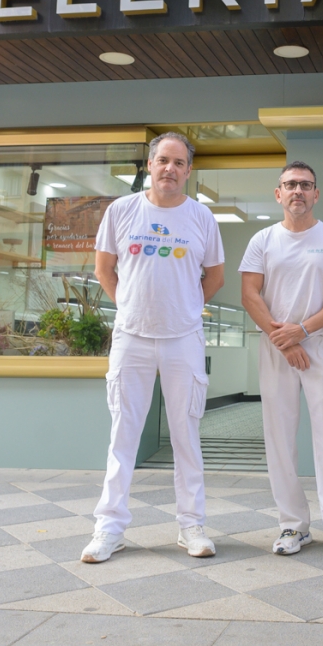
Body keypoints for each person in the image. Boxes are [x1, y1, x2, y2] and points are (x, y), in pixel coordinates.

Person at [82, 132, 225, 563]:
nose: (170, 169)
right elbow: (104, 269)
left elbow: (215, 277)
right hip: (133, 338)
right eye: (163, 160)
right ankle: (108, 528)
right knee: (123, 433)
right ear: (150, 164)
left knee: (186, 434)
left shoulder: (201, 217)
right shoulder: (122, 211)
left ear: (188, 170)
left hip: (183, 339)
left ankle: (191, 526)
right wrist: (129, 306)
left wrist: (183, 309)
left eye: (179, 163)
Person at [239, 160, 323, 564]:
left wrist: (303, 331)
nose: (298, 190)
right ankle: (293, 525)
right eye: (290, 184)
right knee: (278, 436)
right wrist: (285, 339)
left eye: (305, 185)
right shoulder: (262, 240)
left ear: (316, 194)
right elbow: (250, 295)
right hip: (277, 347)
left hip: (321, 347)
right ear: (278, 194)